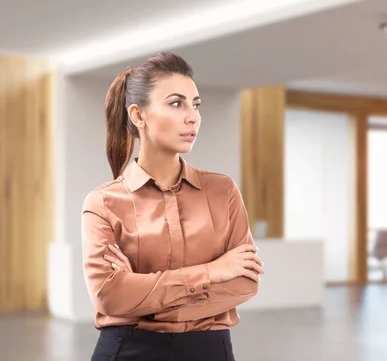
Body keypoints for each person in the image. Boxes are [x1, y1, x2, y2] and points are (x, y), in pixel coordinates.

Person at [81, 52, 263, 361]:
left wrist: (145, 303)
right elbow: (110, 296)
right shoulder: (103, 203)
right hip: (128, 351)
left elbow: (244, 281)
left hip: (210, 351)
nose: (192, 116)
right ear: (138, 115)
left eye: (196, 104)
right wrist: (212, 271)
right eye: (177, 103)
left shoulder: (223, 191)